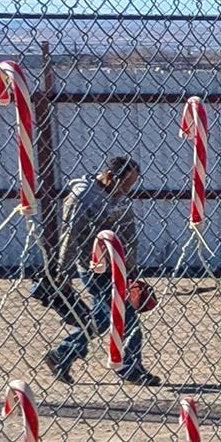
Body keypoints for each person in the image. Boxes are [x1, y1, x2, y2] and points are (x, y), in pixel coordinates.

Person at [40, 156, 159, 385]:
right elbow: (70, 237)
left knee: (103, 320)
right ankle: (130, 368)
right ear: (109, 176)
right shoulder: (83, 197)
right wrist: (62, 274)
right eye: (124, 184)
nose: (126, 190)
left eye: (131, 185)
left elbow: (129, 236)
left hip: (118, 268)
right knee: (127, 318)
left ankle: (62, 354)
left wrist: (131, 272)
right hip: (95, 269)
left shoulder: (120, 198)